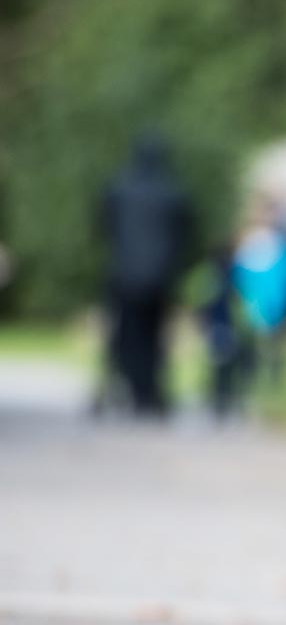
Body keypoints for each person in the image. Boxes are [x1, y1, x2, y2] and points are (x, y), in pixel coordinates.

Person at [99, 133, 194, 416]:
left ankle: (121, 390)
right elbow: (184, 235)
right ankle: (150, 394)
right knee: (155, 337)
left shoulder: (117, 189)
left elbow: (105, 227)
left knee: (124, 336)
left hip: (124, 275)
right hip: (160, 278)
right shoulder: (173, 194)